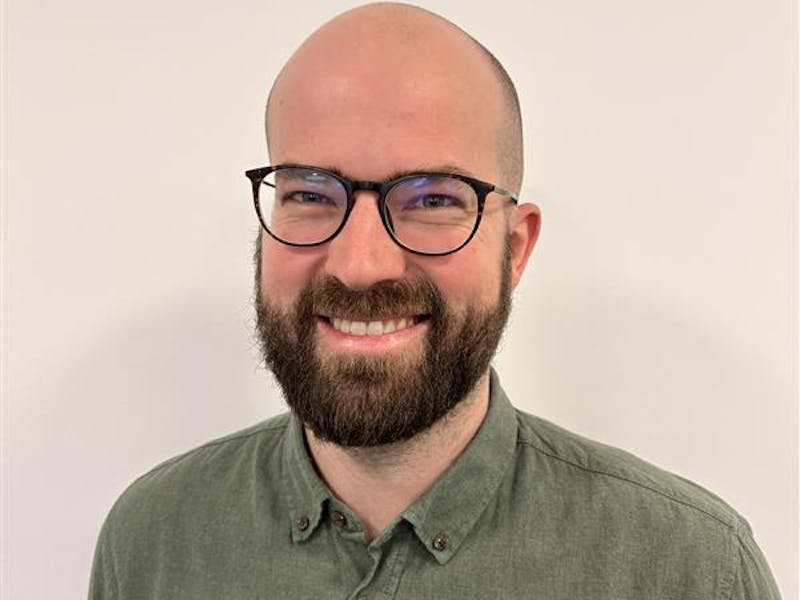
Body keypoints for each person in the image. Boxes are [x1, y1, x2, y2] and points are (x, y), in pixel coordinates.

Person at [88, 3, 781, 598]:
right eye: (308, 194)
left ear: (514, 249)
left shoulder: (689, 570)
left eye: (432, 200)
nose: (360, 266)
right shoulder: (153, 543)